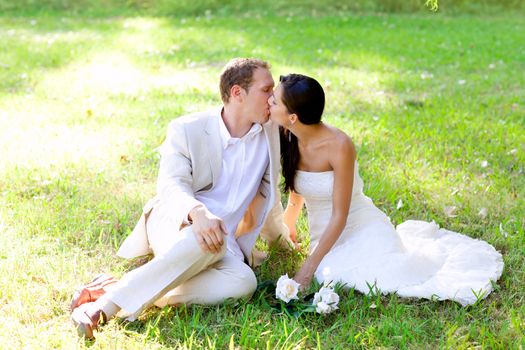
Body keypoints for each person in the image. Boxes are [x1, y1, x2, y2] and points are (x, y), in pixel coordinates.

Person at [71, 58, 292, 339]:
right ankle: (105, 307)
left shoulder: (270, 132)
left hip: (224, 241)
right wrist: (197, 214)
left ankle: (119, 288)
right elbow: (171, 185)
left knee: (244, 282)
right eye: (266, 89)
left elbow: (268, 199)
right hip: (176, 220)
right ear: (238, 93)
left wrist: (282, 243)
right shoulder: (187, 128)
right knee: (205, 240)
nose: (273, 97)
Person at [268, 73, 504, 305]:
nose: (270, 101)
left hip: (360, 226)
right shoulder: (287, 135)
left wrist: (307, 268)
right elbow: (298, 185)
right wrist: (290, 223)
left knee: (372, 274)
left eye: (275, 101)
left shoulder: (339, 145)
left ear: (293, 117)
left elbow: (340, 215)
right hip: (323, 233)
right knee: (331, 273)